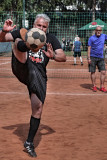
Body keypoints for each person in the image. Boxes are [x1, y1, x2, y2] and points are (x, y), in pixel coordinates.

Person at [0, 14, 66, 157]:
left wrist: (53, 55)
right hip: (22, 66)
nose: (41, 28)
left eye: (44, 27)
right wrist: (4, 31)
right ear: (34, 24)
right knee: (18, 38)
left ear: (47, 28)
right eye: (39, 25)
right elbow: (1, 39)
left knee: (38, 108)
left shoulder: (51, 39)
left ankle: (29, 143)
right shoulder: (23, 31)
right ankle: (27, 44)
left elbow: (63, 57)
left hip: (37, 74)